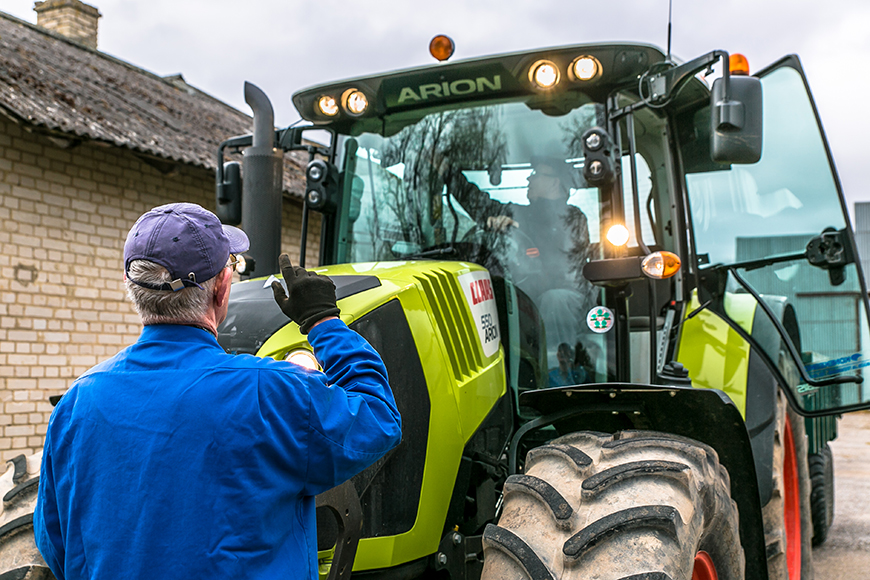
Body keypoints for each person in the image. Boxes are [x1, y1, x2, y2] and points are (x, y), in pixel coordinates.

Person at [34, 202, 402, 580]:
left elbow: (56, 542)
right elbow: (379, 417)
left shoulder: (77, 402)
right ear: (223, 287)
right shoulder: (270, 391)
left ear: (134, 290)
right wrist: (323, 322)